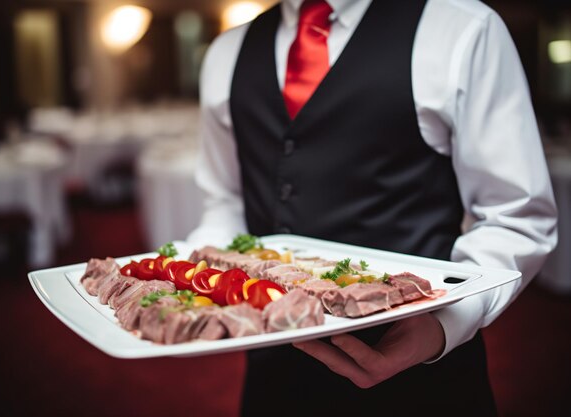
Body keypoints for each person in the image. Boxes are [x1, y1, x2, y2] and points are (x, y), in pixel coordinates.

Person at [187, 0, 558, 415]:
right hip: (273, 372)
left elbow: (515, 215)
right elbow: (225, 204)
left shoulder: (462, 27)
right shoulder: (227, 53)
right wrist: (186, 283)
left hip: (423, 382)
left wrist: (443, 325)